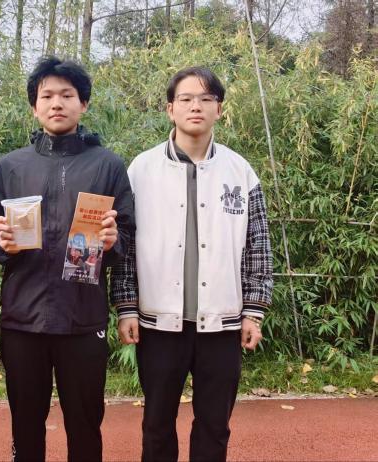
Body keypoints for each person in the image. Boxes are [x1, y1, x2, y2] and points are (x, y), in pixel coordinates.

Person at [112, 67, 273, 461]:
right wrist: (126, 307)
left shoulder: (240, 171)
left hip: (222, 323)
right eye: (185, 99)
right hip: (158, 324)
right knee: (156, 425)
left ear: (219, 109)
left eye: (206, 99)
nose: (195, 106)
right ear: (170, 109)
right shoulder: (141, 170)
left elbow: (258, 245)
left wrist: (254, 312)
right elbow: (125, 245)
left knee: (215, 427)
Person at [0, 56, 135, 462]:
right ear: (34, 106)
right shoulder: (11, 166)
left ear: (83, 104)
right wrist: (3, 244)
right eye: (46, 95)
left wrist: (113, 240)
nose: (56, 103)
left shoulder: (107, 165)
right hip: (23, 319)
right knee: (25, 424)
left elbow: (128, 234)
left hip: (82, 319)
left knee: (84, 424)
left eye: (67, 95)